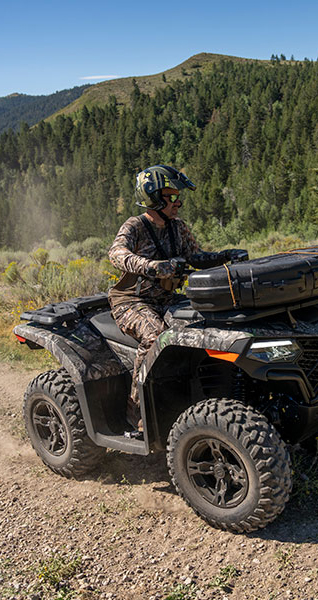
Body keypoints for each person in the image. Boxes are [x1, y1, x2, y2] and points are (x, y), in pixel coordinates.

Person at [108, 165, 246, 431]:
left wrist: (227, 255)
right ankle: (135, 408)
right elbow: (116, 254)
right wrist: (151, 266)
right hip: (132, 302)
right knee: (154, 336)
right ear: (153, 198)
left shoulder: (178, 227)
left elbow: (196, 257)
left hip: (168, 299)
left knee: (206, 325)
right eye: (172, 196)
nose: (178, 202)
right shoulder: (135, 226)